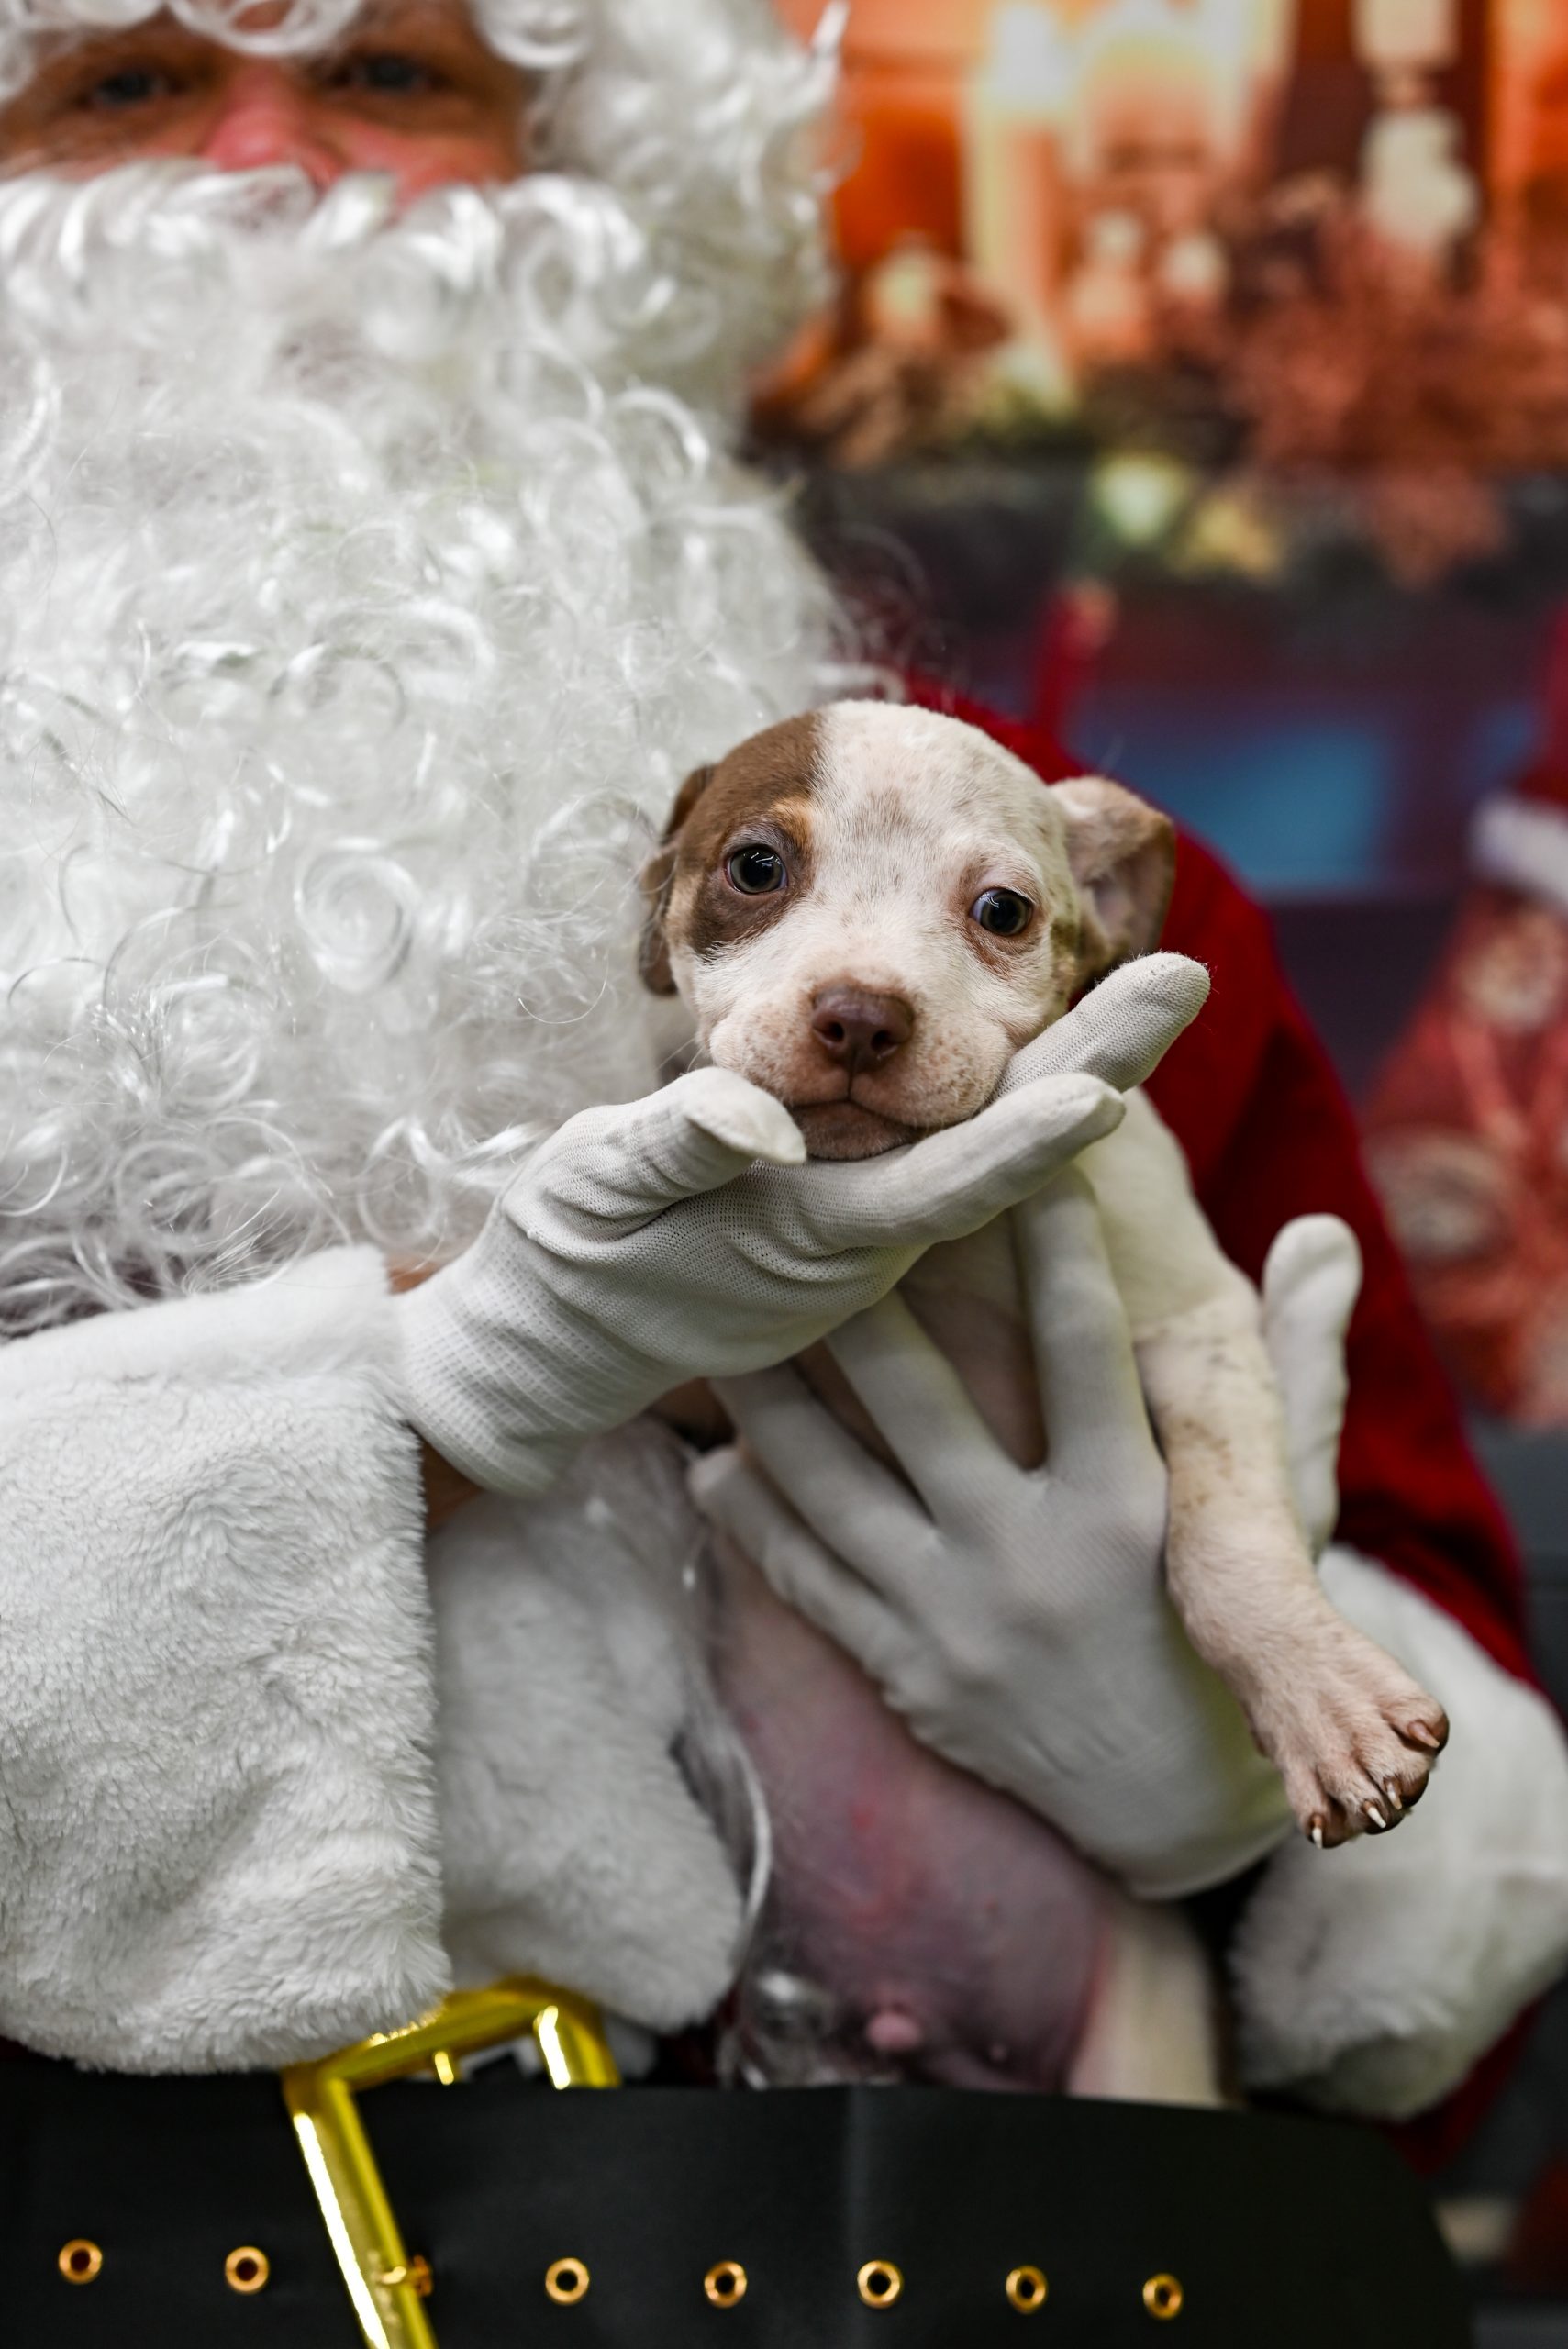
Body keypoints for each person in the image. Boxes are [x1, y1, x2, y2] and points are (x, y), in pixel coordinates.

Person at [0, 0, 1564, 2325]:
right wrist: (418, 1405)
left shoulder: (1014, 887)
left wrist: (1229, 1796)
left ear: (592, 160)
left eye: (393, 73)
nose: (270, 163)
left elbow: (1474, 1873)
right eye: (123, 82)